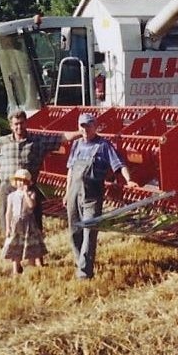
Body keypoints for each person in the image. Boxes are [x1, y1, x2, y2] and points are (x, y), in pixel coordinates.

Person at [0, 109, 82, 233]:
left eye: (22, 123)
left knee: (33, 227)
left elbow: (62, 137)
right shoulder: (2, 142)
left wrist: (81, 132)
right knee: (9, 225)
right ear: (11, 126)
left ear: (26, 123)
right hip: (8, 188)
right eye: (16, 124)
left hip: (29, 189)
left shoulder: (37, 141)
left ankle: (34, 250)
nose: (19, 126)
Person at [64, 111, 137, 279]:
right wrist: (67, 193)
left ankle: (84, 273)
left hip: (92, 196)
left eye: (88, 126)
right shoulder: (76, 145)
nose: (85, 130)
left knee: (89, 232)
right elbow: (70, 170)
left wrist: (129, 180)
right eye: (82, 126)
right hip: (74, 193)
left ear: (95, 127)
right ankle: (79, 262)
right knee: (75, 231)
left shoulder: (103, 146)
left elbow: (119, 164)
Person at [1, 168, 46, 275]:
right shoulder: (11, 196)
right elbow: (8, 213)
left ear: (28, 183)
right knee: (15, 246)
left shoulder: (31, 194)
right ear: (15, 182)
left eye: (24, 181)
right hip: (16, 224)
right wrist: (7, 228)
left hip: (28, 224)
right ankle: (16, 269)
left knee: (29, 246)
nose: (21, 183)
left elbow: (31, 205)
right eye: (19, 180)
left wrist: (26, 193)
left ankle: (31, 268)